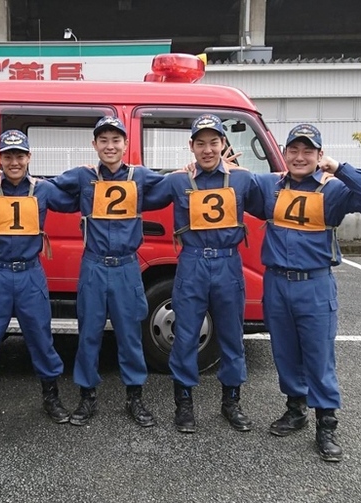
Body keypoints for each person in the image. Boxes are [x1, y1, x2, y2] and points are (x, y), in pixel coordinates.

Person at [245, 124, 361, 461]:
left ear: (319, 155)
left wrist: (340, 168)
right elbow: (237, 191)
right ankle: (295, 408)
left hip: (315, 283)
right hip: (277, 282)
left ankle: (326, 423)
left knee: (318, 356)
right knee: (284, 351)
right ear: (284, 153)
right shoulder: (270, 186)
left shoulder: (333, 190)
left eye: (307, 151)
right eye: (293, 150)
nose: (299, 157)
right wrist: (218, 167)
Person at [0, 130, 79, 428]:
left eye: (20, 156)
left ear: (29, 158)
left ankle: (51, 396)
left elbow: (78, 199)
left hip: (31, 275)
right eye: (8, 156)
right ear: (0, 158)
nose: (14, 162)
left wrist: (87, 173)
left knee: (41, 339)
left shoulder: (43, 190)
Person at [49, 116, 165, 427]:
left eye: (116, 140)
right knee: (88, 334)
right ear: (95, 145)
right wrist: (8, 180)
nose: (110, 146)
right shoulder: (82, 177)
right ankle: (87, 396)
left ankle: (135, 397)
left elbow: (173, 186)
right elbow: (45, 190)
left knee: (130, 335)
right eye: (103, 140)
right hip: (94, 266)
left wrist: (192, 170)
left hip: (127, 266)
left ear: (126, 145)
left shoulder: (140, 176)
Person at [143, 114, 254, 434]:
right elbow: (143, 194)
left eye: (214, 142)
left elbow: (272, 202)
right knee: (186, 335)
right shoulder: (179, 181)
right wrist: (168, 172)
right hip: (191, 263)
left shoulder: (242, 179)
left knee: (232, 335)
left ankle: (231, 401)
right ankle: (184, 403)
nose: (208, 149)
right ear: (191, 146)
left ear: (223, 144)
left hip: (228, 264)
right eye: (201, 143)